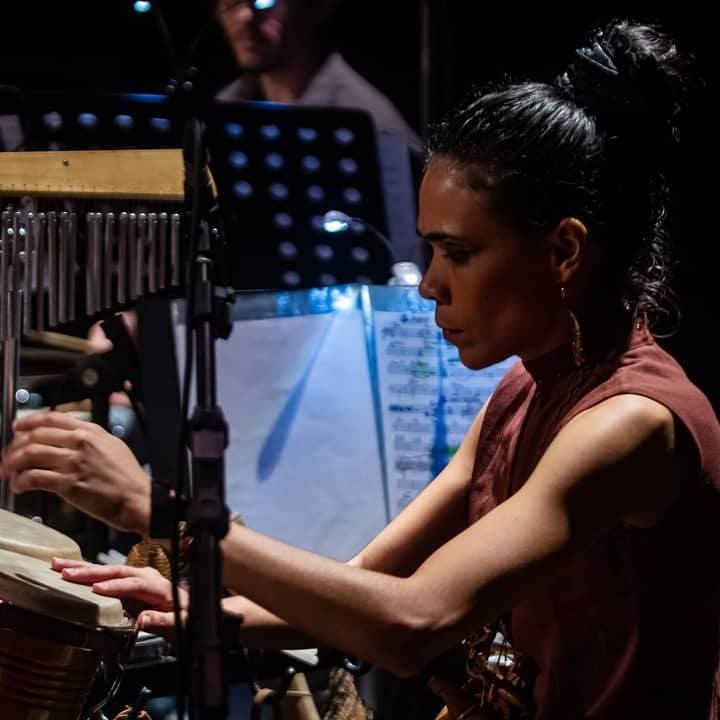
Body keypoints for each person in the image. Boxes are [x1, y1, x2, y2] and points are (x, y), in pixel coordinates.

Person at [3, 18, 719, 719]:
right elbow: (368, 586)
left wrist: (161, 511)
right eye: (430, 251)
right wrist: (208, 614)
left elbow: (412, 622)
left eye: (458, 253)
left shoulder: (629, 425)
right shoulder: (525, 386)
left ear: (563, 251)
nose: (430, 284)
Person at [214, 0, 422, 152]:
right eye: (232, 2)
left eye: (264, 1)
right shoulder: (222, 110)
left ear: (317, 7)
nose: (245, 17)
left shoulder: (374, 126)